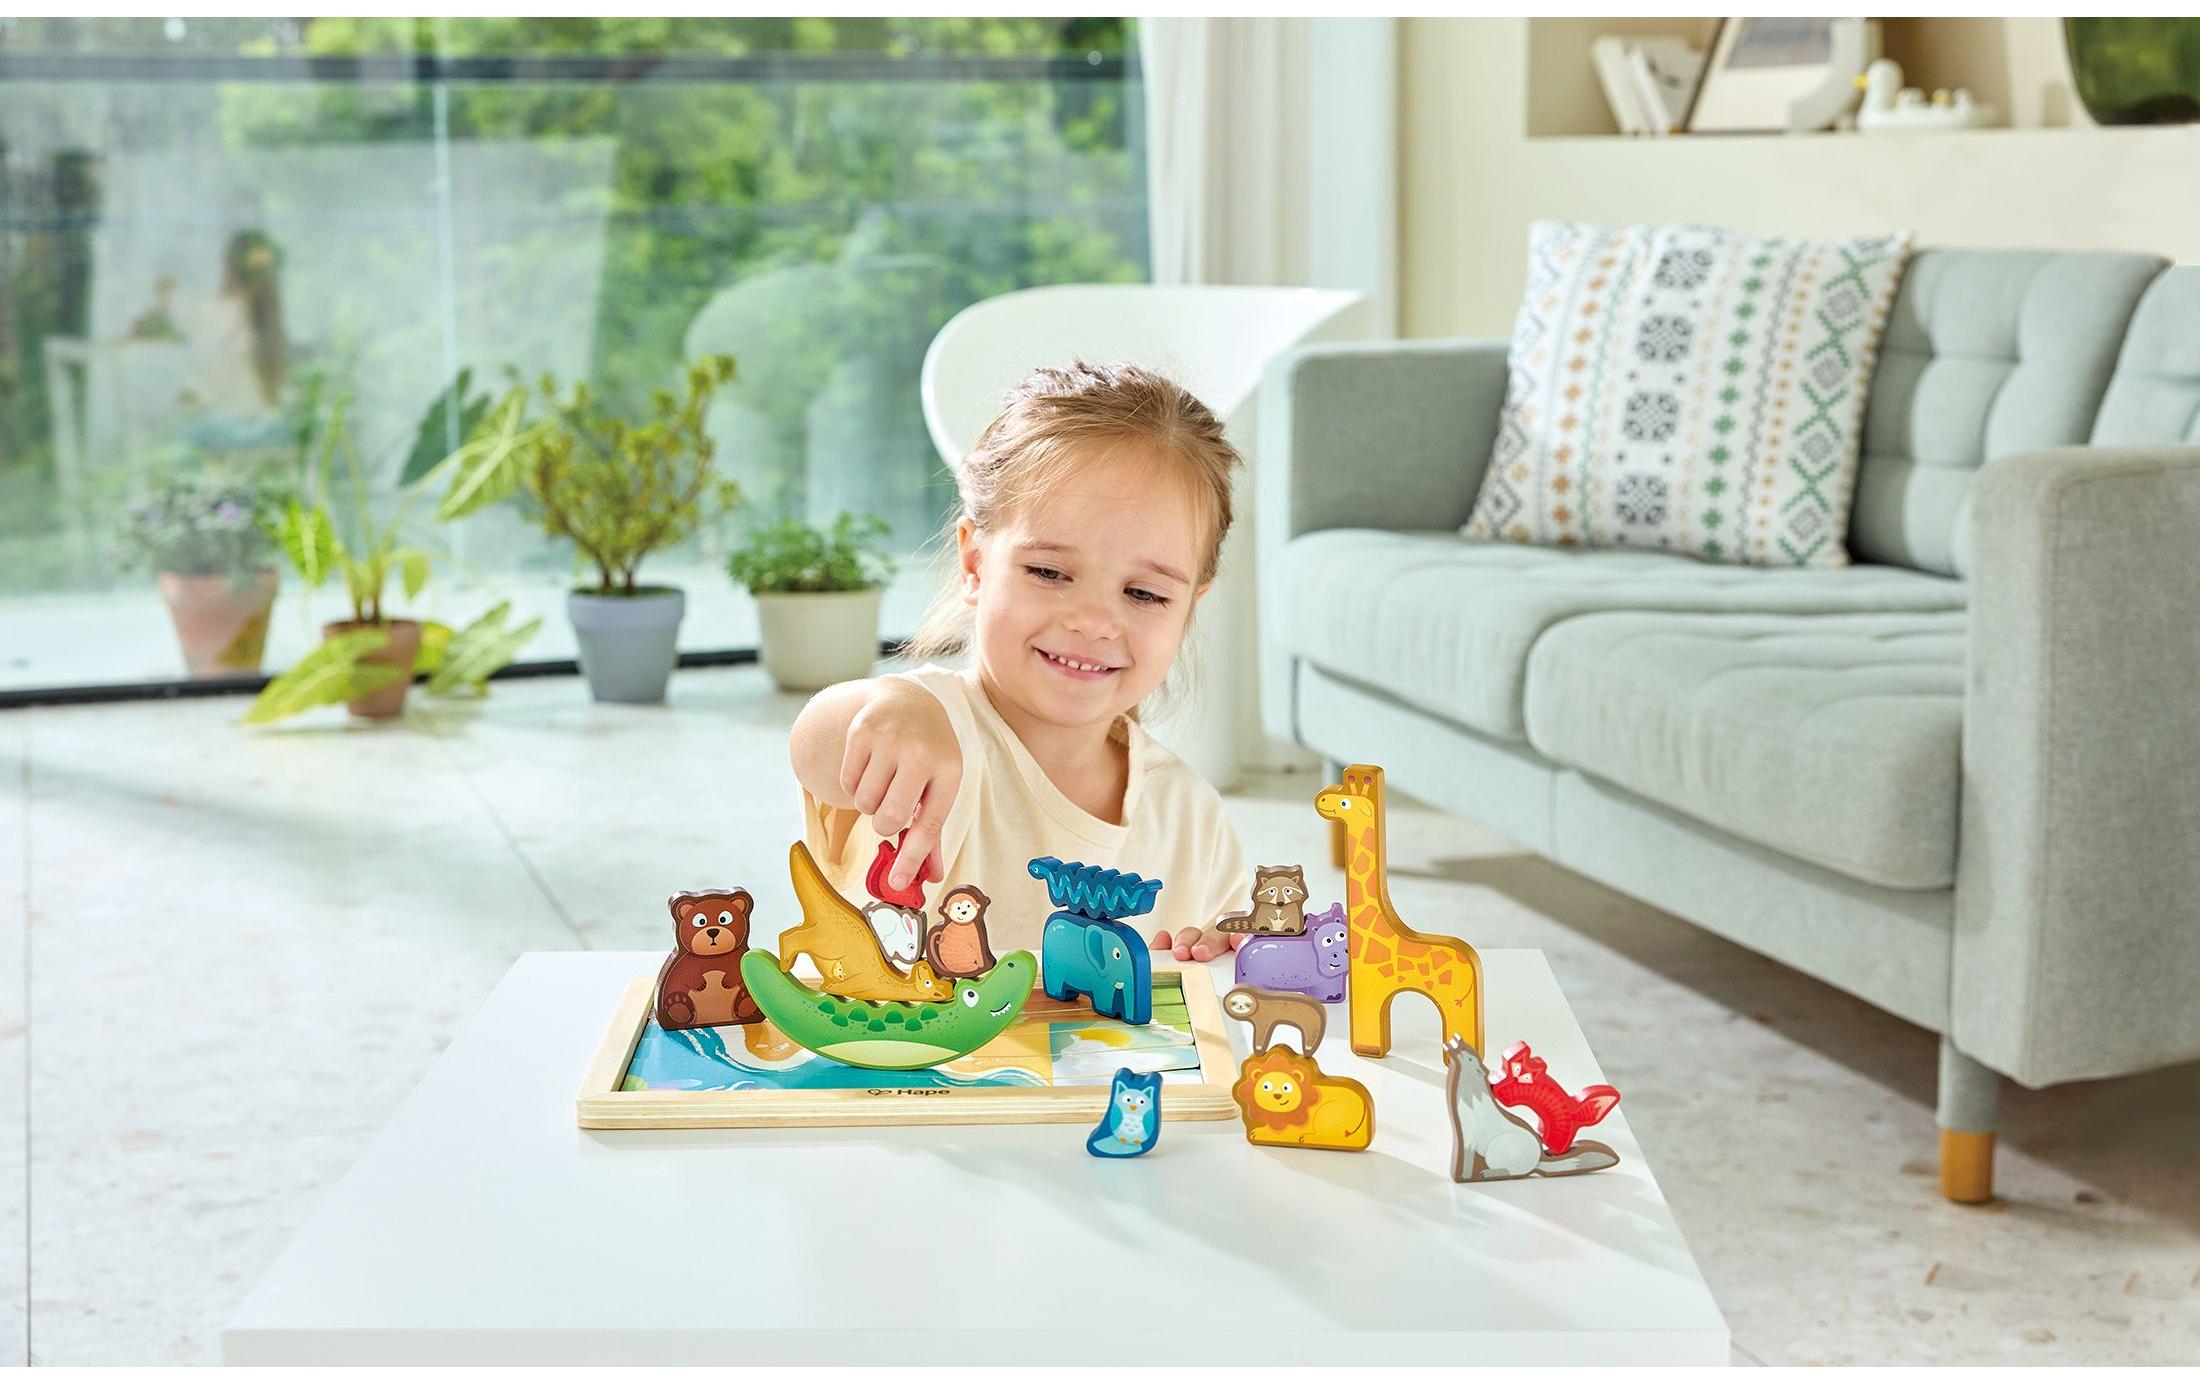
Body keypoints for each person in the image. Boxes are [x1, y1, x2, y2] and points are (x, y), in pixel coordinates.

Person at [790, 360, 1250, 963]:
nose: (1093, 621)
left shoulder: (1191, 814)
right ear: (975, 564)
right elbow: (817, 744)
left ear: (1189, 606)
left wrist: (1227, 953)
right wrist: (896, 702)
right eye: (1050, 572)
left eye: (1144, 594)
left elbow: (1235, 966)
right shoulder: (927, 731)